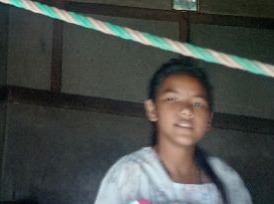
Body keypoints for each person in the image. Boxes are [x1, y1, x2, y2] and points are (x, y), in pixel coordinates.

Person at [94, 56, 252, 203]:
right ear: (152, 110)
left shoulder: (226, 178)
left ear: (209, 119)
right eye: (172, 99)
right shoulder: (130, 174)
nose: (186, 110)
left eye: (198, 103)